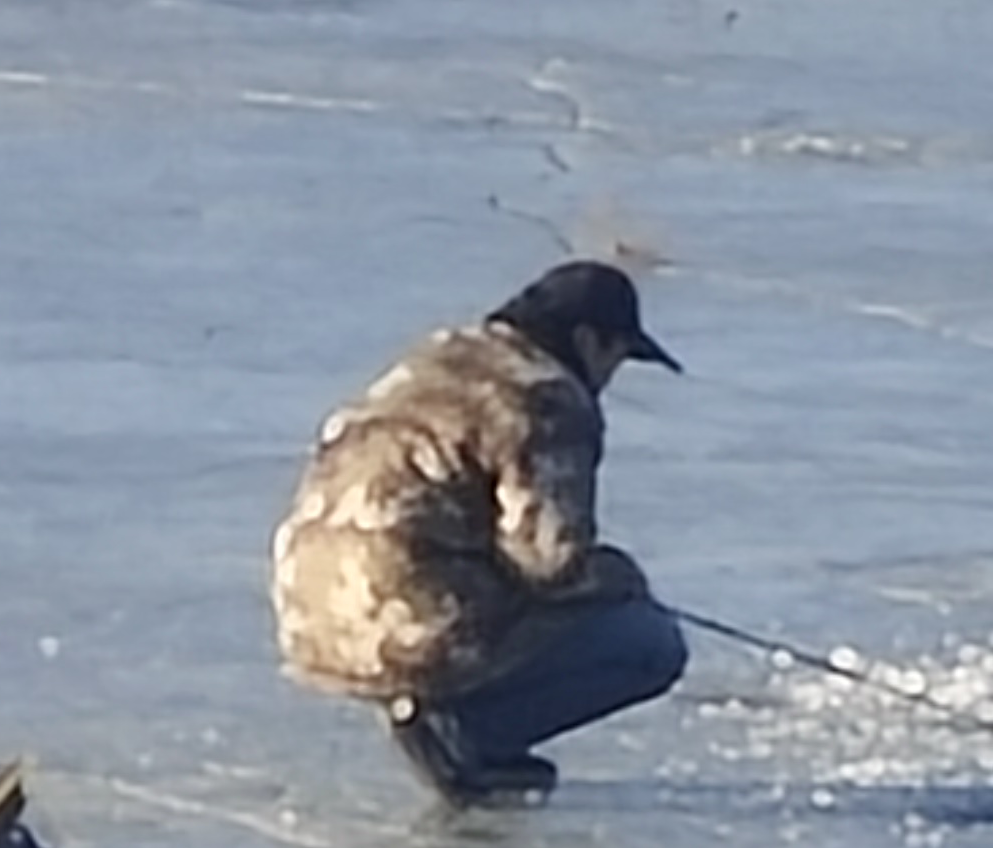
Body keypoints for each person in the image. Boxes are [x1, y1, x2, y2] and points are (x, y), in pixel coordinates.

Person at [270, 261, 688, 805]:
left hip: (309, 611)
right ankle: (472, 737)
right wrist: (621, 577)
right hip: (403, 624)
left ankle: (434, 716)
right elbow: (550, 561)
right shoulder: (546, 396)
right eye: (617, 356)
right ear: (587, 340)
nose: (611, 378)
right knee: (647, 640)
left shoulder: (432, 360)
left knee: (445, 570)